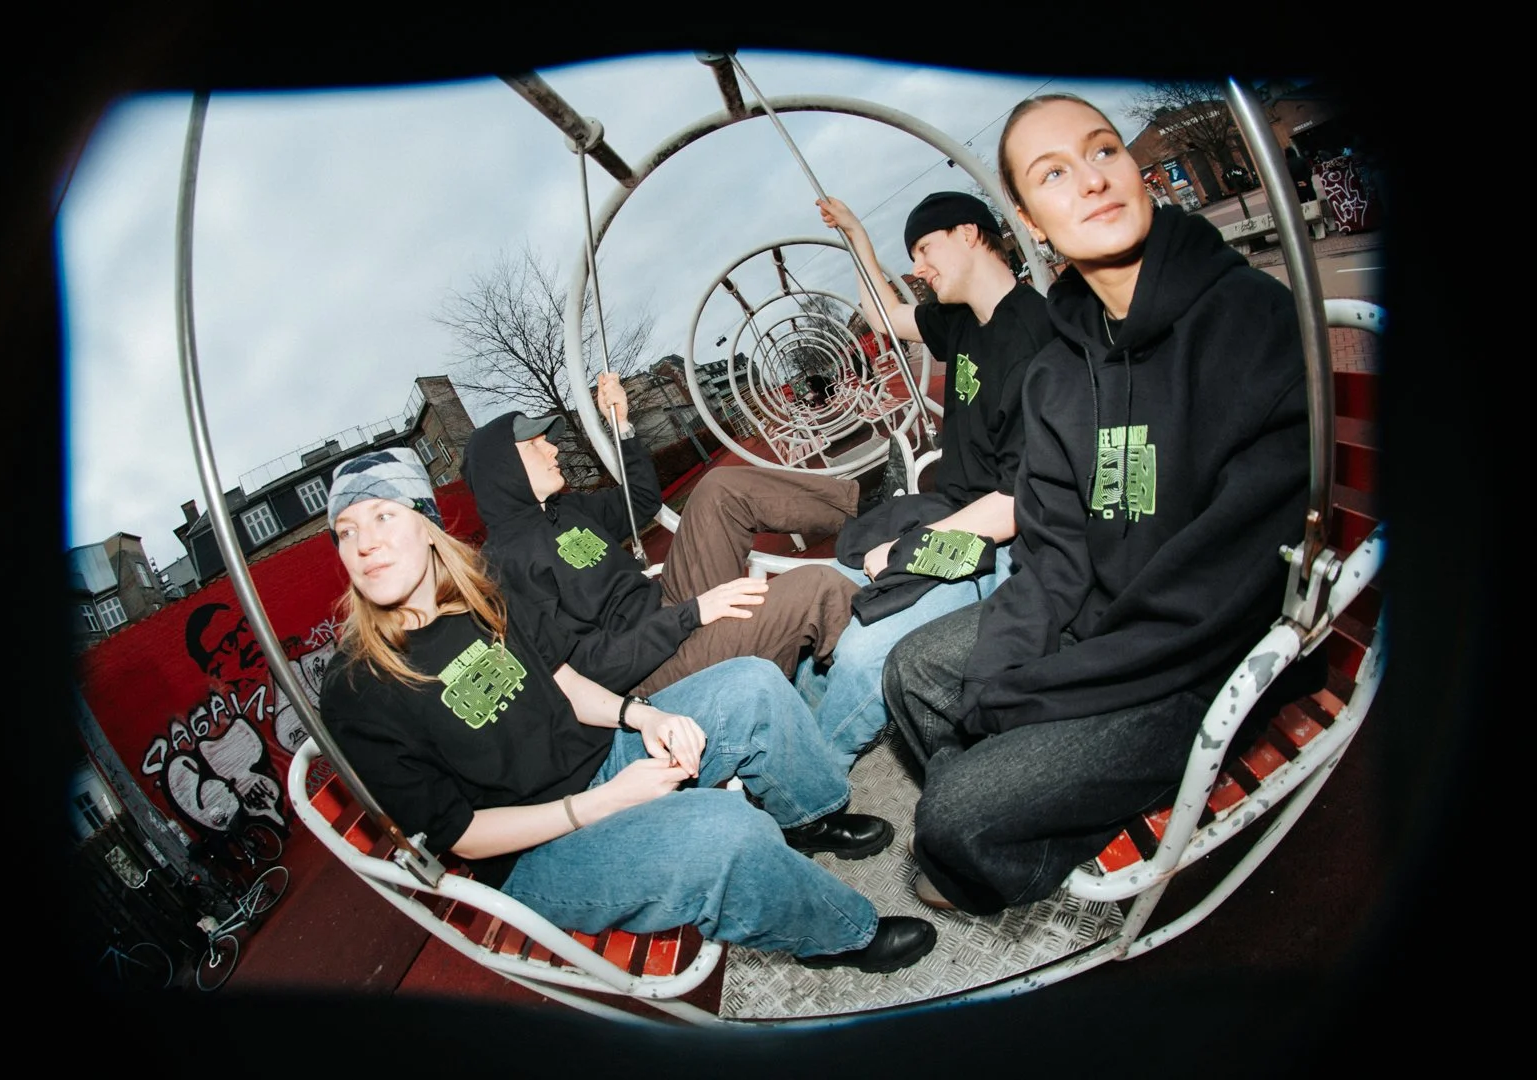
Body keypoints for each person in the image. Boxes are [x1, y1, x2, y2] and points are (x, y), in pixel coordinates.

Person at [882, 93, 1318, 915]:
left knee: (953, 812)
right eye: (1054, 173)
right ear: (1030, 220)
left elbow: (1215, 599)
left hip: (1204, 661)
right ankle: (1021, 805)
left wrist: (1032, 695)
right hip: (1102, 627)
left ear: (1134, 167)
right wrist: (1011, 674)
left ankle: (1007, 818)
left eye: (1103, 151)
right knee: (913, 672)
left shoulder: (1249, 322)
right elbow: (1050, 558)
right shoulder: (1058, 370)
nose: (1091, 179)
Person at [316, 447, 936, 973]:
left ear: (425, 523)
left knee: (751, 685)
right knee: (725, 831)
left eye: (382, 516)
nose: (365, 543)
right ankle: (838, 935)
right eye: (346, 530)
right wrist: (608, 801)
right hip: (535, 855)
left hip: (604, 760)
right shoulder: (356, 689)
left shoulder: (483, 598)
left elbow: (563, 682)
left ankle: (810, 818)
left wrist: (643, 717)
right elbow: (463, 839)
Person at [795, 190, 1056, 767]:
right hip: (950, 512)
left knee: (864, 651)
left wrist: (908, 552)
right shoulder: (964, 320)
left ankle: (807, 776)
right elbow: (888, 316)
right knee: (818, 596)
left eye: (924, 247)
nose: (917, 266)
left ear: (968, 234)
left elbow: (1014, 506)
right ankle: (791, 731)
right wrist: (856, 234)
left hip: (1000, 546)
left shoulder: (1036, 338)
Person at [462, 372, 883, 697]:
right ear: (503, 469)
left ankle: (867, 513)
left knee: (720, 489)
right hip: (648, 666)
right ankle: (883, 678)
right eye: (535, 445)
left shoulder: (566, 511)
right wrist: (691, 615)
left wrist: (622, 426)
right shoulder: (506, 565)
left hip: (668, 606)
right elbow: (589, 667)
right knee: (815, 587)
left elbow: (641, 500)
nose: (553, 449)